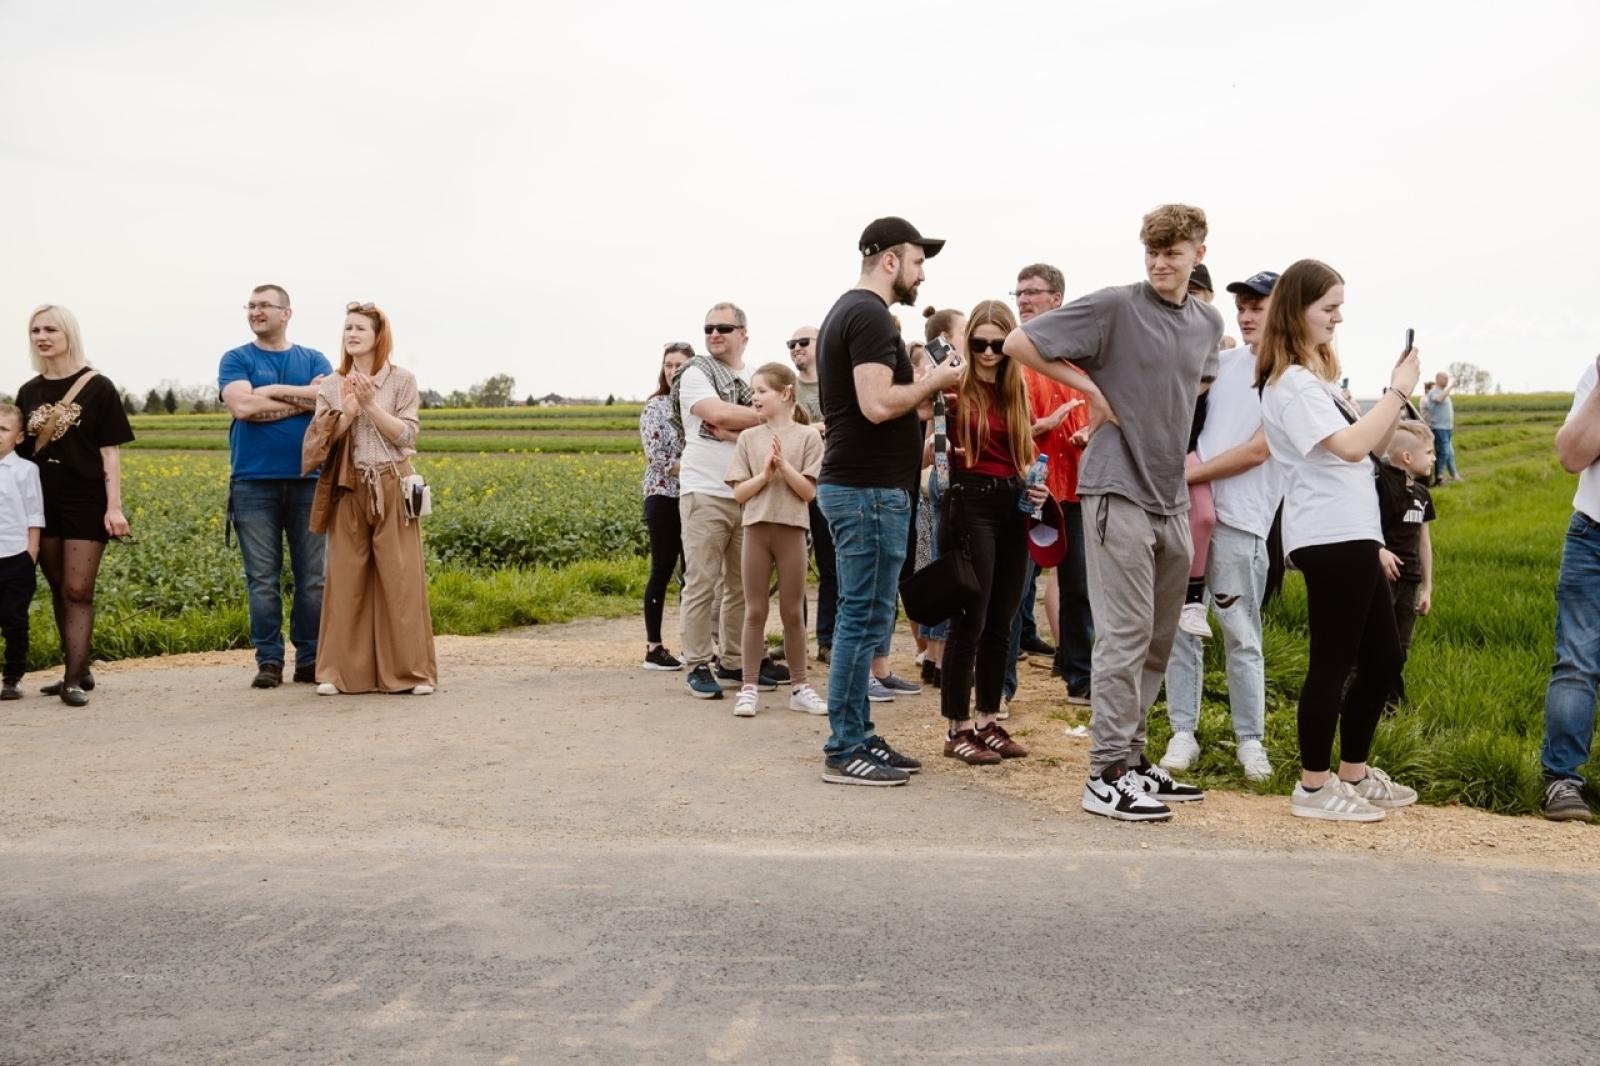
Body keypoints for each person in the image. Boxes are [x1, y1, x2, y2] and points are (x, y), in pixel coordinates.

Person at [1004, 204, 1218, 821]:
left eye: (1172, 253)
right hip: (1114, 487)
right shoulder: (1115, 306)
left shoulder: (1207, 322)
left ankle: (1133, 758)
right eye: (1152, 251)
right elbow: (1020, 341)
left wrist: (1151, 408)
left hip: (1169, 492)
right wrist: (1093, 391)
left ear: (1198, 254)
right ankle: (1104, 774)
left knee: (1158, 636)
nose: (1160, 263)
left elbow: (1197, 382)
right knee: (1123, 635)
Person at [1257, 259, 1421, 822]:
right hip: (1329, 535)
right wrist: (1397, 393)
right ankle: (1313, 786)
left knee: (1383, 659)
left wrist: (1394, 398)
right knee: (1332, 661)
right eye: (1328, 308)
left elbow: (1366, 448)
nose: (1337, 318)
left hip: (1355, 533)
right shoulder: (1291, 385)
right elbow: (1351, 449)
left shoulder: (1318, 382)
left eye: (1340, 308)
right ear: (1297, 310)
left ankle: (1352, 772)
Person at [816, 216, 961, 786]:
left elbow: (878, 407)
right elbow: (876, 405)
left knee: (868, 618)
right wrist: (936, 381)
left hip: (866, 487)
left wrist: (921, 398)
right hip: (867, 492)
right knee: (860, 620)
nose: (922, 274)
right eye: (918, 262)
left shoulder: (851, 313)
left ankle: (858, 732)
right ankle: (844, 746)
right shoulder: (870, 315)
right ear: (891, 260)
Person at [1158, 270, 1282, 782]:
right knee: (1181, 630)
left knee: (1240, 635)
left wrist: (1187, 475)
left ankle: (1250, 741)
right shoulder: (1223, 363)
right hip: (1190, 514)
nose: (1246, 316)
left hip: (1241, 521)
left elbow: (1258, 451)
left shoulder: (1291, 378)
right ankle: (1182, 732)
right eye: (1242, 307)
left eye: (1258, 307)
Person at [308, 302, 437, 696]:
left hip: (392, 483)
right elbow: (322, 444)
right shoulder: (331, 385)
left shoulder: (402, 380)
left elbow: (407, 436)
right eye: (348, 328)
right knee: (345, 580)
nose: (351, 334)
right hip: (348, 485)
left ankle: (411, 673)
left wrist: (368, 405)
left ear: (379, 336)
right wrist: (347, 411)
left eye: (360, 328)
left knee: (400, 579)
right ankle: (340, 674)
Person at [934, 301, 1043, 765]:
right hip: (970, 501)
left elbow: (1022, 455)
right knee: (970, 619)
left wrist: (1035, 487)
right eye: (979, 343)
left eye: (998, 344)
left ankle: (987, 719)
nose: (989, 353)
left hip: (1013, 502)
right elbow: (933, 446)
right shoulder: (954, 388)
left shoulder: (1015, 390)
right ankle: (956, 727)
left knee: (1004, 619)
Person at [19, 305, 135, 706]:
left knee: (78, 589)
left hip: (86, 499)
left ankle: (71, 681)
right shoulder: (29, 391)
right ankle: (78, 667)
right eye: (35, 330)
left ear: (69, 333)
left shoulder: (98, 387)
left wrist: (114, 507)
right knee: (57, 587)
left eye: (50, 329)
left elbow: (110, 452)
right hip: (42, 501)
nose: (42, 337)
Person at [219, 284, 332, 689]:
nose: (255, 311)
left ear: (287, 313)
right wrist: (302, 399)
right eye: (250, 305)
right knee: (263, 580)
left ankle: (310, 659)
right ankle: (269, 660)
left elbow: (330, 401)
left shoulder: (314, 358)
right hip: (253, 483)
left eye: (264, 305)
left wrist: (270, 392)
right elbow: (242, 406)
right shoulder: (236, 358)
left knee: (313, 579)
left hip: (309, 481)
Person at [672, 303, 785, 699]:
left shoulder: (753, 375)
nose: (714, 334)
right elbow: (717, 413)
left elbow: (769, 428)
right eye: (708, 328)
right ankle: (697, 663)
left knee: (743, 586)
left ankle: (735, 661)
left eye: (723, 327)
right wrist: (769, 413)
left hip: (747, 493)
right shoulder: (696, 373)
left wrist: (754, 420)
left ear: (743, 333)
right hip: (704, 490)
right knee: (701, 582)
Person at [1009, 263, 1092, 708]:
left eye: (1032, 292)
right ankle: (1000, 687)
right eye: (1019, 292)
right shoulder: (1011, 355)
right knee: (1012, 589)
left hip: (1075, 487)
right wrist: (1041, 426)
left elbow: (1102, 410)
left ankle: (1081, 679)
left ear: (1056, 298)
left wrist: (1092, 432)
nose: (1023, 299)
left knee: (1078, 588)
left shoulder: (1080, 356)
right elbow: (1002, 427)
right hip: (1027, 488)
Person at [726, 362, 826, 717]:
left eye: (761, 391)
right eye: (752, 391)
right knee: (754, 610)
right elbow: (740, 493)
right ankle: (749, 687)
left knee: (792, 612)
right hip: (755, 530)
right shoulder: (749, 438)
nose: (754, 397)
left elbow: (808, 492)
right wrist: (766, 475)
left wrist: (784, 466)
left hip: (792, 530)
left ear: (785, 393)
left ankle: (800, 687)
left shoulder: (809, 437)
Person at [1541, 352, 1600, 820]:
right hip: (1593, 536)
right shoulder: (1595, 375)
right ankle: (1561, 780)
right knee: (1577, 662)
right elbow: (1571, 456)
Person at [1375, 420, 1437, 702]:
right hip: (1384, 577)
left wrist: (1427, 587)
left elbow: (1424, 542)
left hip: (1410, 579)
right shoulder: (1381, 485)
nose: (1434, 458)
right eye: (1429, 452)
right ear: (1408, 457)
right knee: (1375, 641)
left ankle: (1393, 704)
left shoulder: (1423, 494)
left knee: (1400, 647)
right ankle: (1352, 700)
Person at [640, 342, 692, 671]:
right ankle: (654, 648)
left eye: (680, 365)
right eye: (668, 365)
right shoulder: (655, 406)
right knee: (662, 567)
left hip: (695, 494)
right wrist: (695, 468)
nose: (673, 370)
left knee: (694, 572)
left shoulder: (698, 405)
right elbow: (658, 458)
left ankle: (692, 645)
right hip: (662, 494)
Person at [788, 324, 837, 665]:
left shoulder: (836, 383)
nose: (796, 348)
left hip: (829, 484)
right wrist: (814, 430)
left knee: (831, 566)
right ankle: (795, 639)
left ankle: (828, 639)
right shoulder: (787, 389)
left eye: (803, 342)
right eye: (791, 343)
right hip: (794, 485)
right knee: (793, 568)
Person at [0, 403, 44, 701]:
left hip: (16, 556)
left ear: (18, 437)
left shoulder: (26, 470)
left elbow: (34, 514)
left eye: (3, 429)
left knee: (14, 621)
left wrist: (31, 553)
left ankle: (12, 677)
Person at [1424, 371, 1460, 483]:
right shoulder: (1433, 392)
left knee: (1449, 453)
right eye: (1445, 378)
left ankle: (1454, 475)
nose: (1447, 380)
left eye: (1447, 378)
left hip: (1447, 428)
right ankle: (1439, 477)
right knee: (1443, 452)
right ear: (1437, 379)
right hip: (1439, 427)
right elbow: (1439, 400)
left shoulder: (1443, 392)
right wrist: (1451, 387)